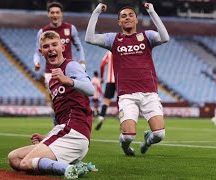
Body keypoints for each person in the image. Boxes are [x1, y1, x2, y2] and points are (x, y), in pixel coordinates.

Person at [8, 31, 96, 179]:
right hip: (63, 131)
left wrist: (69, 81)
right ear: (41, 52)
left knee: (26, 163)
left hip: (74, 132)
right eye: (46, 46)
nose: (51, 49)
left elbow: (91, 90)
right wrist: (47, 137)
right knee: (14, 158)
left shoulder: (71, 66)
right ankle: (74, 165)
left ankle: (68, 168)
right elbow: (58, 117)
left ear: (62, 47)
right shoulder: (52, 81)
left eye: (54, 44)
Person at [85, 3, 169, 156]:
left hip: (149, 93)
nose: (127, 18)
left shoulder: (147, 36)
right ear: (119, 22)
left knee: (159, 135)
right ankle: (125, 147)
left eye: (131, 15)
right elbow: (89, 38)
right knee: (128, 136)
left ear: (136, 20)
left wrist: (152, 12)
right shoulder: (114, 39)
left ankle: (147, 141)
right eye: (123, 16)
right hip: (127, 95)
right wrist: (96, 12)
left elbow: (165, 37)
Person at [33, 1, 86, 126]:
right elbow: (36, 51)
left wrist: (82, 62)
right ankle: (57, 126)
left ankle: (74, 124)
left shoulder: (70, 28)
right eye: (52, 12)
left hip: (69, 70)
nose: (55, 15)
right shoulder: (42, 32)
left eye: (57, 12)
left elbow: (79, 47)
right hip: (50, 72)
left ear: (61, 14)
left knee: (73, 98)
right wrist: (36, 62)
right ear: (48, 14)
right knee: (56, 101)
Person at [95, 51, 115, 130]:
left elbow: (102, 64)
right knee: (122, 99)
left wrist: (102, 77)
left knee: (106, 101)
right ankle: (123, 120)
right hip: (121, 80)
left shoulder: (109, 52)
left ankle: (101, 117)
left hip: (110, 80)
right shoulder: (123, 49)